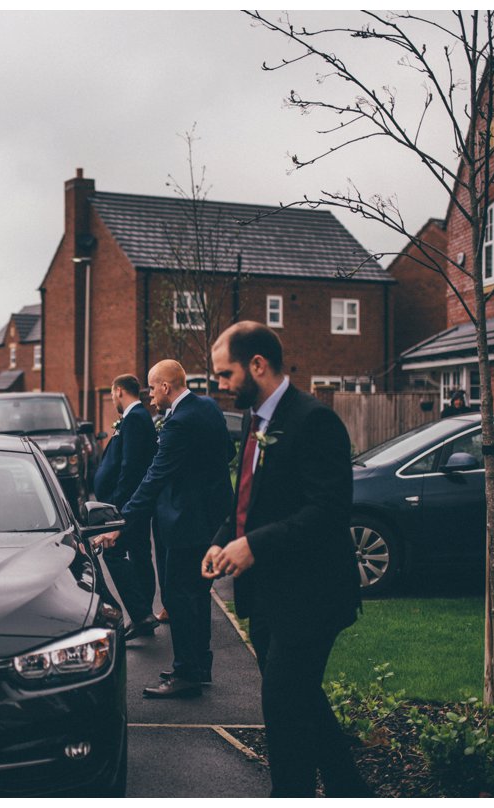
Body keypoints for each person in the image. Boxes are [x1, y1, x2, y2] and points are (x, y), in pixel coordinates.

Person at [202, 321, 369, 797]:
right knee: (303, 701)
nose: (220, 385)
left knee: (283, 709)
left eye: (225, 373)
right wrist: (223, 538)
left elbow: (329, 511)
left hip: (313, 596)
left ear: (258, 365)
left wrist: (254, 545)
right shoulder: (257, 421)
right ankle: (349, 791)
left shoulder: (313, 420)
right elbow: (250, 501)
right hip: (270, 596)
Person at [98, 359, 233, 698]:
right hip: (211, 518)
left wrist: (122, 522)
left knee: (178, 595)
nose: (150, 395)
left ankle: (185, 674)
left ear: (166, 387)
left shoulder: (178, 423)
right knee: (199, 595)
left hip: (184, 521)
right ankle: (200, 666)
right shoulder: (209, 408)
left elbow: (155, 477)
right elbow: (227, 452)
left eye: (152, 388)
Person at [91, 374, 159, 640]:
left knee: (113, 555)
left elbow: (131, 467)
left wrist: (118, 507)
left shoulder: (135, 418)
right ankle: (145, 615)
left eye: (112, 395)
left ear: (119, 391)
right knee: (141, 553)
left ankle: (141, 613)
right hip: (134, 503)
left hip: (128, 504)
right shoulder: (137, 417)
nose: (113, 401)